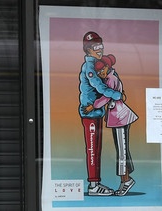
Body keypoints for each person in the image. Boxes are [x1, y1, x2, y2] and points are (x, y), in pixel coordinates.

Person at [84, 54, 138, 196]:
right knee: (122, 150)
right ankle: (126, 179)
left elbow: (107, 97)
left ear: (108, 67)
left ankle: (126, 181)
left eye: (102, 70)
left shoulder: (111, 79)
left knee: (122, 152)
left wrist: (93, 106)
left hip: (120, 118)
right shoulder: (110, 77)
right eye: (99, 72)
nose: (100, 73)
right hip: (117, 118)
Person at [78, 31, 124, 196]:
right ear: (87, 49)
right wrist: (117, 95)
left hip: (96, 113)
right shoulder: (89, 67)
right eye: (94, 47)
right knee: (92, 149)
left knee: (96, 149)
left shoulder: (97, 64)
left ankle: (96, 183)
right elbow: (99, 87)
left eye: (100, 45)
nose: (99, 49)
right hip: (90, 114)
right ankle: (93, 186)